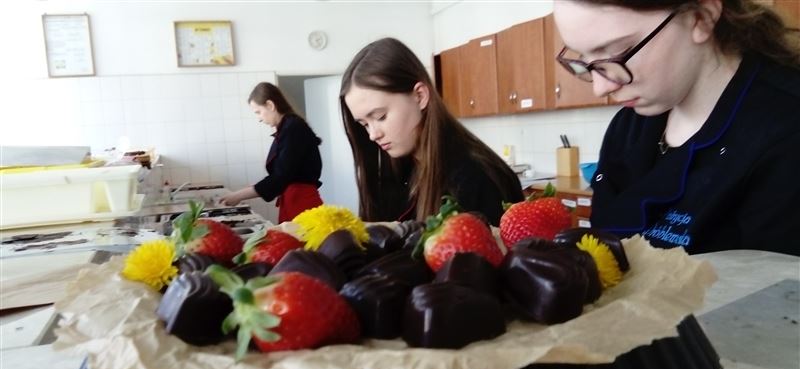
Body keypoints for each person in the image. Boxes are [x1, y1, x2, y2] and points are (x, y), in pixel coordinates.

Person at [553, 0, 800, 256]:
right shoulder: (627, 126)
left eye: (618, 52)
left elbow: (777, 278)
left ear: (701, 17)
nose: (600, 88)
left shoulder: (787, 129)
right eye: (584, 60)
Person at [339, 37, 524, 226]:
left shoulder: (476, 178)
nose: (373, 134)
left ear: (419, 96)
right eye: (364, 124)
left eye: (380, 117)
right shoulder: (398, 170)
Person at [219, 82, 323, 223]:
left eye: (258, 112)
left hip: (301, 202)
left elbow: (280, 176)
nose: (259, 118)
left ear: (270, 105)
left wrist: (238, 195)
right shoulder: (288, 127)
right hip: (293, 199)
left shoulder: (293, 128)